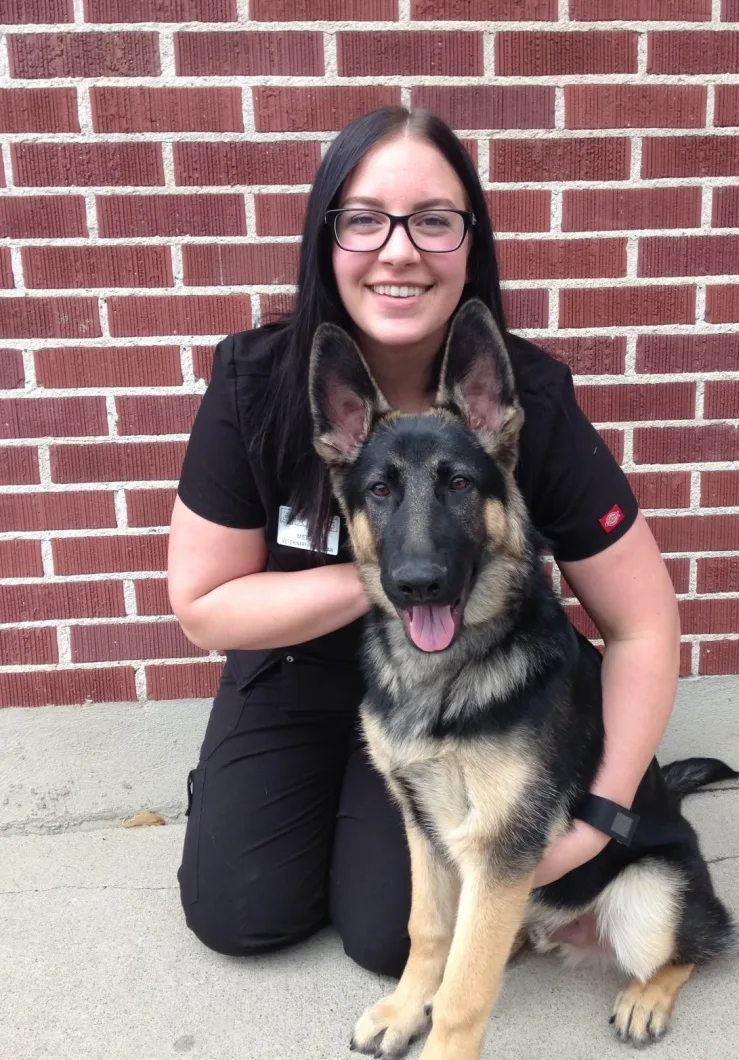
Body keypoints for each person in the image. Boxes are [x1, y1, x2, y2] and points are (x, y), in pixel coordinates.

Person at [167, 106, 681, 977]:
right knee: (239, 911)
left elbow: (643, 625)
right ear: (325, 237)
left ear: (469, 243)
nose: (399, 250)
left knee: (382, 940)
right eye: (364, 219)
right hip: (297, 672)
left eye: (434, 220)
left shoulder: (526, 401)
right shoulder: (257, 382)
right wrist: (400, 578)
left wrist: (602, 814)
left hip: (458, 685)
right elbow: (203, 607)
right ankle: (246, 788)